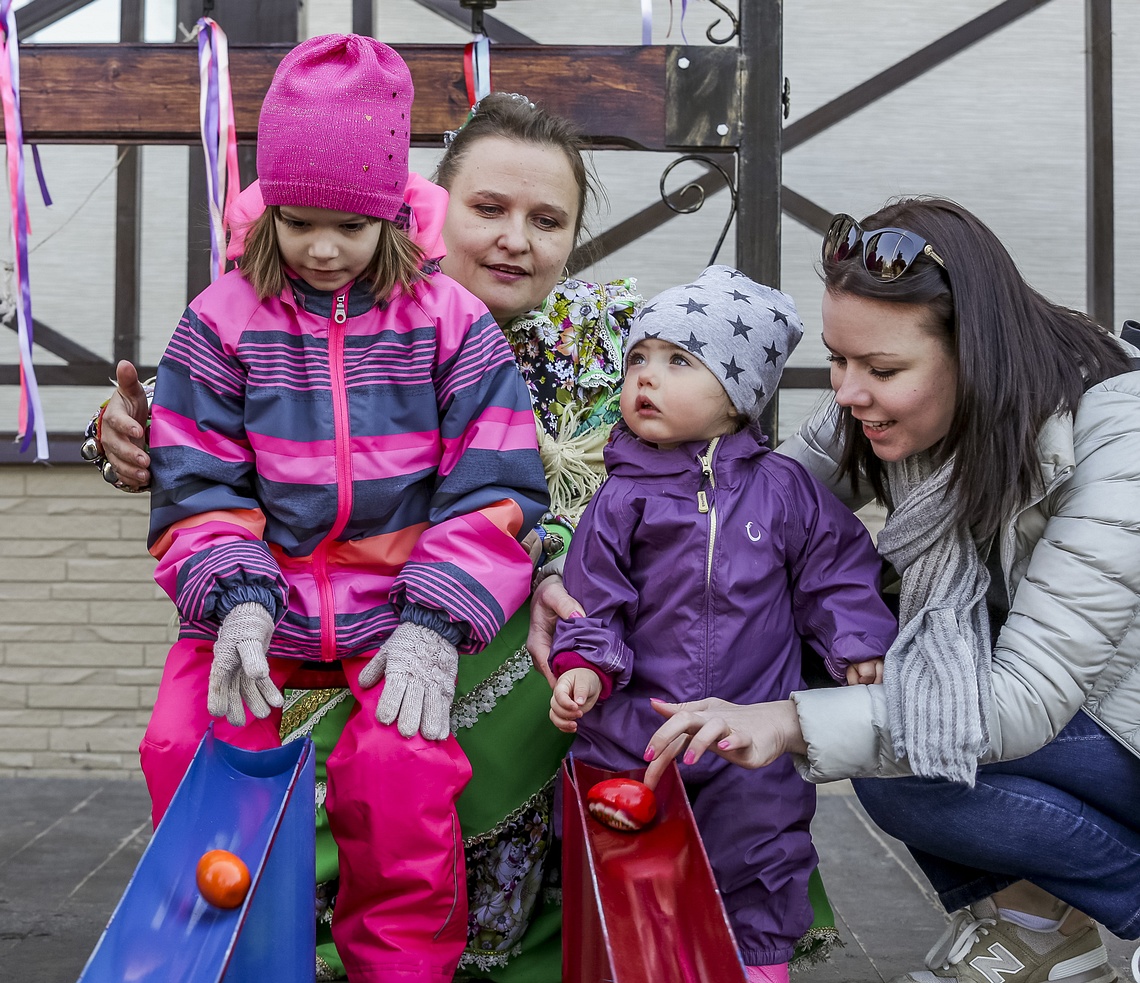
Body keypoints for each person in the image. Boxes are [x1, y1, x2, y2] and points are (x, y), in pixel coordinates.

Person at [87, 95, 846, 981]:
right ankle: (306, 924)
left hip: (566, 623)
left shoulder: (622, 349)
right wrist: (129, 444)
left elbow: (697, 485)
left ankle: (616, 919)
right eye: (489, 208)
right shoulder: (313, 315)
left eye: (547, 219)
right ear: (426, 208)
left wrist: (562, 563)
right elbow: (220, 455)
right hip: (349, 623)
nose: (516, 238)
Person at [617, 199, 1140, 983]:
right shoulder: (885, 405)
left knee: (897, 748)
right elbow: (755, 504)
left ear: (974, 352)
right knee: (852, 672)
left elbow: (1025, 696)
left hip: (1113, 723)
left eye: (882, 370)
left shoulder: (1114, 434)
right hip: (1060, 710)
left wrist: (788, 718)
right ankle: (1037, 932)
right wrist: (577, 578)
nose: (848, 393)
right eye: (837, 359)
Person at [142, 37, 549, 983]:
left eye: (351, 227)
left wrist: (437, 619)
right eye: (299, 222)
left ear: (394, 215)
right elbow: (196, 479)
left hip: (394, 607)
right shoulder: (222, 320)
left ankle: (401, 965)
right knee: (187, 739)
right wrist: (233, 593)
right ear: (270, 207)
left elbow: (494, 484)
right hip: (261, 599)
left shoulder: (449, 322)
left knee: (403, 773)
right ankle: (229, 952)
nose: (323, 249)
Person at [546, 266, 897, 983]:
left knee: (763, 847)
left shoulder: (783, 489)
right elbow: (594, 596)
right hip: (635, 728)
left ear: (741, 395)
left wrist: (857, 639)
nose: (646, 376)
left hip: (748, 726)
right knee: (625, 849)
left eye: (679, 361)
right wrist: (583, 662)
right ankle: (634, 958)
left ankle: (757, 963)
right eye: (638, 357)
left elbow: (835, 567)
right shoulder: (622, 497)